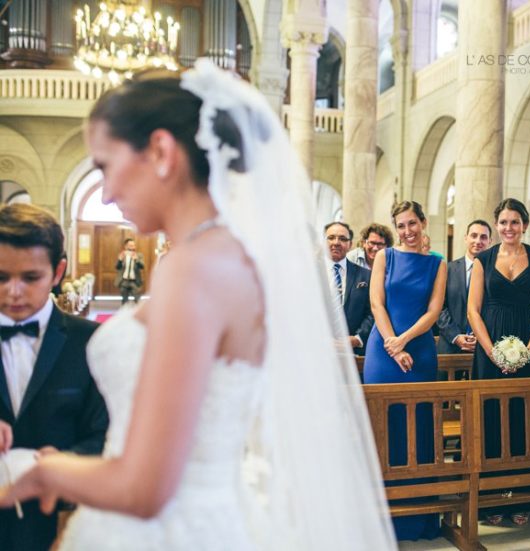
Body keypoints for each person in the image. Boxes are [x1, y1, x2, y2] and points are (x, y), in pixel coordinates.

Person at [0, 60, 395, 550]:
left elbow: (145, 488)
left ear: (161, 151)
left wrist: (40, 471)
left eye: (106, 164)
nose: (106, 190)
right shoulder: (231, 259)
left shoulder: (193, 270)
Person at [0, 203, 108, 551]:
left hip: (58, 523)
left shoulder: (90, 343)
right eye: (0, 277)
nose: (13, 291)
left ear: (58, 271)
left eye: (30, 278)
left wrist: (67, 462)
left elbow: (105, 435)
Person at [363, 200, 447, 541]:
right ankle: (378, 516)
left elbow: (434, 310)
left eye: (413, 223)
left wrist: (406, 341)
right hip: (383, 354)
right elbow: (376, 303)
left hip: (420, 350)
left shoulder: (437, 264)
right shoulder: (385, 257)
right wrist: (391, 344)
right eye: (401, 225)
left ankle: (419, 516)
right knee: (384, 427)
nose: (408, 231)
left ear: (423, 223)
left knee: (419, 428)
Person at [468, 198, 530, 526]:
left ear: (525, 225)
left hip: (526, 344)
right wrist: (492, 352)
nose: (508, 228)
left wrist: (528, 352)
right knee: (490, 420)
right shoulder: (483, 260)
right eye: (503, 222)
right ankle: (490, 501)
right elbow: (473, 310)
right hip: (490, 347)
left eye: (514, 222)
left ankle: (523, 499)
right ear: (497, 225)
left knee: (523, 419)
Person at [436, 219, 491, 355]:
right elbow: (438, 307)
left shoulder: (495, 274)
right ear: (466, 238)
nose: (478, 241)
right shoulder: (447, 269)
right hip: (450, 345)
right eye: (474, 235)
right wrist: (455, 336)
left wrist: (480, 336)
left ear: (490, 241)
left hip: (484, 346)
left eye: (483, 237)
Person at [324, 221, 373, 355]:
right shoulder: (310, 274)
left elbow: (372, 312)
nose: (336, 242)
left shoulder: (365, 275)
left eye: (343, 239)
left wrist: (357, 338)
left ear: (350, 244)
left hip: (353, 351)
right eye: (331, 237)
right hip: (317, 351)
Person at [114, 238, 144, 305]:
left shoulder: (139, 255)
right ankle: (125, 314)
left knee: (137, 300)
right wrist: (120, 260)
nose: (132, 247)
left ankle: (137, 315)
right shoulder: (122, 255)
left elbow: (142, 266)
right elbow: (117, 267)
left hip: (135, 282)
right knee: (124, 301)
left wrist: (136, 260)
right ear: (126, 246)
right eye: (130, 245)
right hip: (124, 281)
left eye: (133, 245)